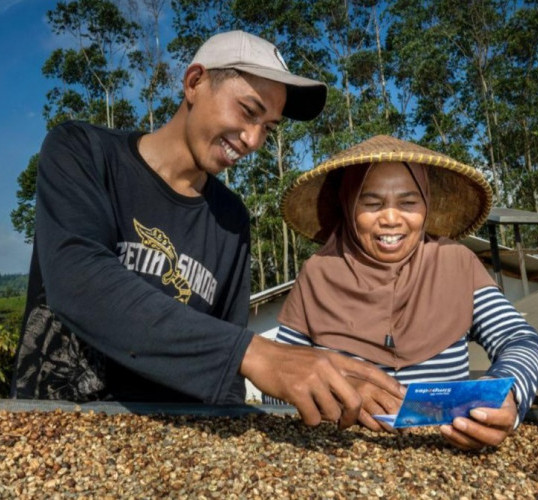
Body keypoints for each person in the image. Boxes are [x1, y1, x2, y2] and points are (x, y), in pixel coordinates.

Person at [11, 30, 403, 429]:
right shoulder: (83, 152)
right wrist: (255, 353)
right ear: (194, 82)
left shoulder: (231, 220)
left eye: (268, 127)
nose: (253, 140)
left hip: (168, 439)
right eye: (248, 111)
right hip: (54, 427)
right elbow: (78, 279)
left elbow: (224, 370)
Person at [266, 135, 538, 450]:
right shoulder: (318, 273)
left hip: (445, 450)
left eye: (408, 203)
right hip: (337, 453)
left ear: (425, 205)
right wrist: (336, 389)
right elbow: (275, 383)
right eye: (372, 203)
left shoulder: (456, 264)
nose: (391, 219)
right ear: (348, 206)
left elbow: (521, 340)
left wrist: (506, 394)